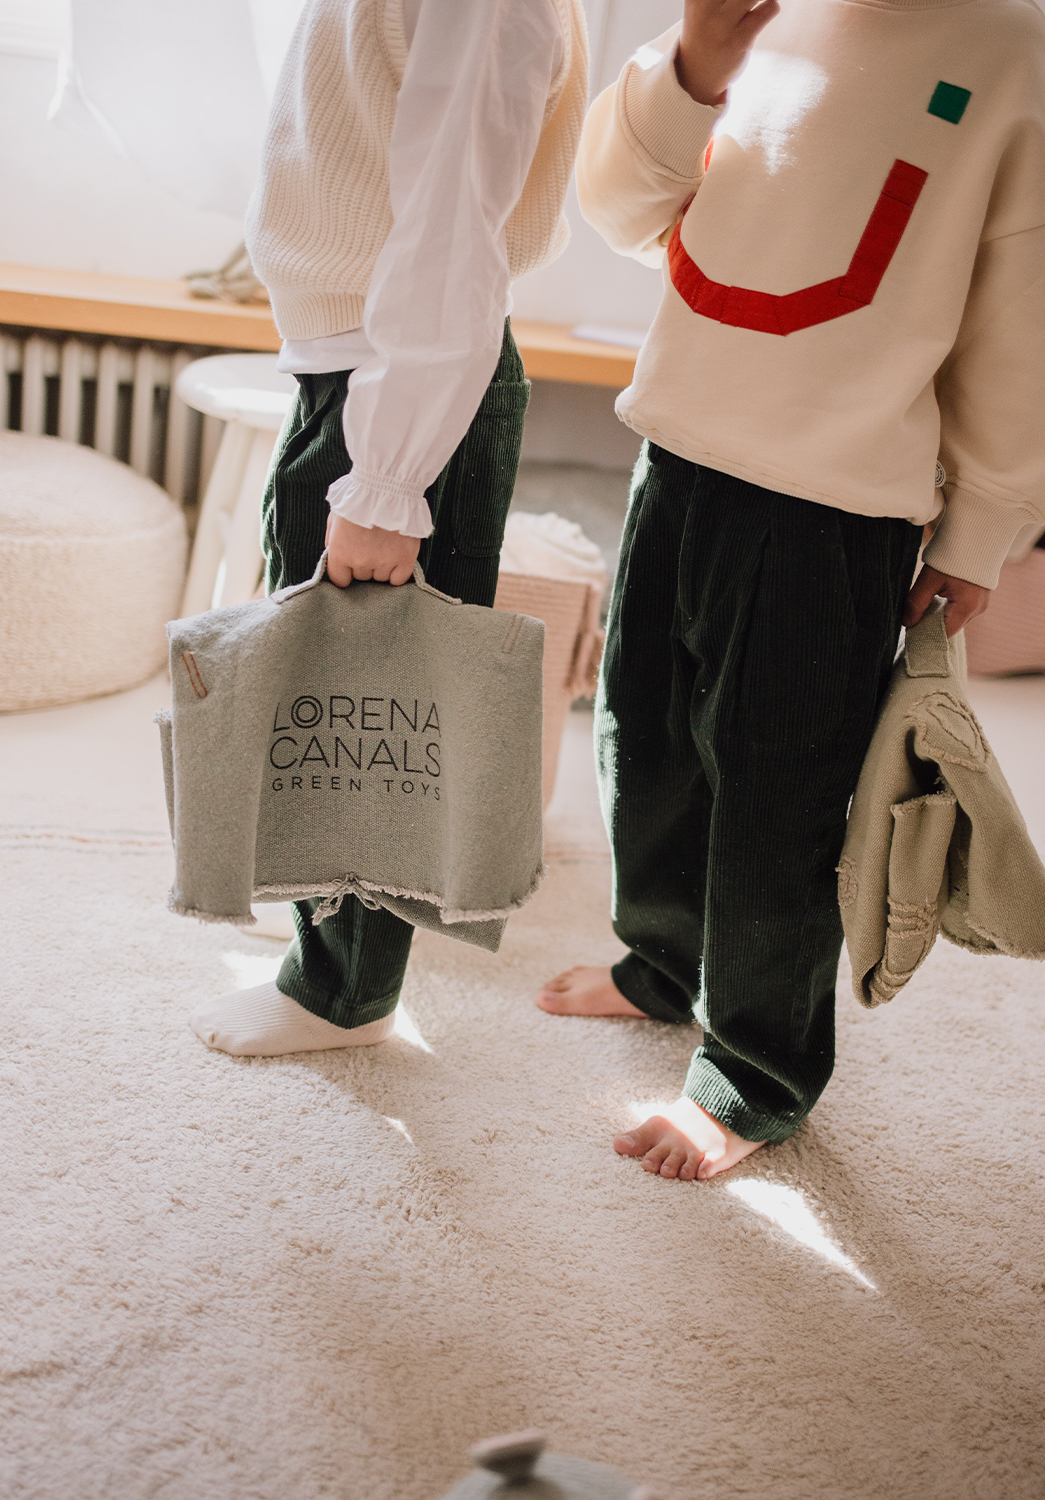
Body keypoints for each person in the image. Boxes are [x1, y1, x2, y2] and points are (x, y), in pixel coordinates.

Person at [537, 0, 1045, 1178]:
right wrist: (694, 65)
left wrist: (978, 528)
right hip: (677, 451)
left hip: (835, 506)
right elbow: (617, 207)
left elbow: (1017, 327)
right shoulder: (742, 18)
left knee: (781, 799)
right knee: (644, 744)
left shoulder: (1007, 52)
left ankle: (754, 1070)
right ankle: (662, 962)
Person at [189, 0, 588, 1057]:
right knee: (327, 692)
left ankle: (344, 994)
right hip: (361, 356)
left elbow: (453, 224)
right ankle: (326, 950)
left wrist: (385, 483)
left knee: (370, 711)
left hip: (397, 371)